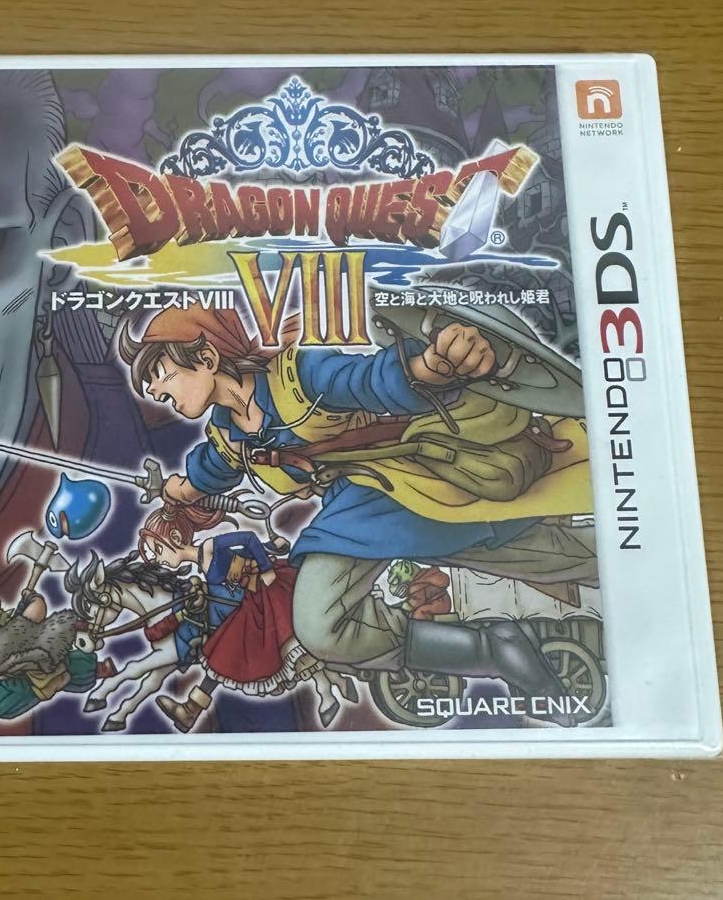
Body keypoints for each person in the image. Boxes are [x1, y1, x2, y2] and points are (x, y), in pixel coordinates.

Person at [117, 304, 596, 714]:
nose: (156, 392)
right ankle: (496, 648)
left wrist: (430, 366)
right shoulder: (227, 432)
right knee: (555, 556)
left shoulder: (297, 377)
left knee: (321, 624)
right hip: (367, 511)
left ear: (206, 357)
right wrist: (181, 490)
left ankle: (498, 646)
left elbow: (365, 379)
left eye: (161, 375)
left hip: (395, 488)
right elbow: (211, 469)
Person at [137, 502, 344, 732]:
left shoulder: (209, 548)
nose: (158, 560)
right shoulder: (201, 566)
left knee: (228, 651)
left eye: (158, 550)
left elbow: (248, 538)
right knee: (222, 652)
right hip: (245, 606)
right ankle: (189, 711)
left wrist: (266, 569)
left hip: (263, 596)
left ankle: (190, 710)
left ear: (175, 537)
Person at [0, 595, 116, 726]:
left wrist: (26, 602)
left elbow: (25, 632)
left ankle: (99, 668)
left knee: (70, 665)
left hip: (40, 675)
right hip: (37, 681)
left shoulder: (4, 642)